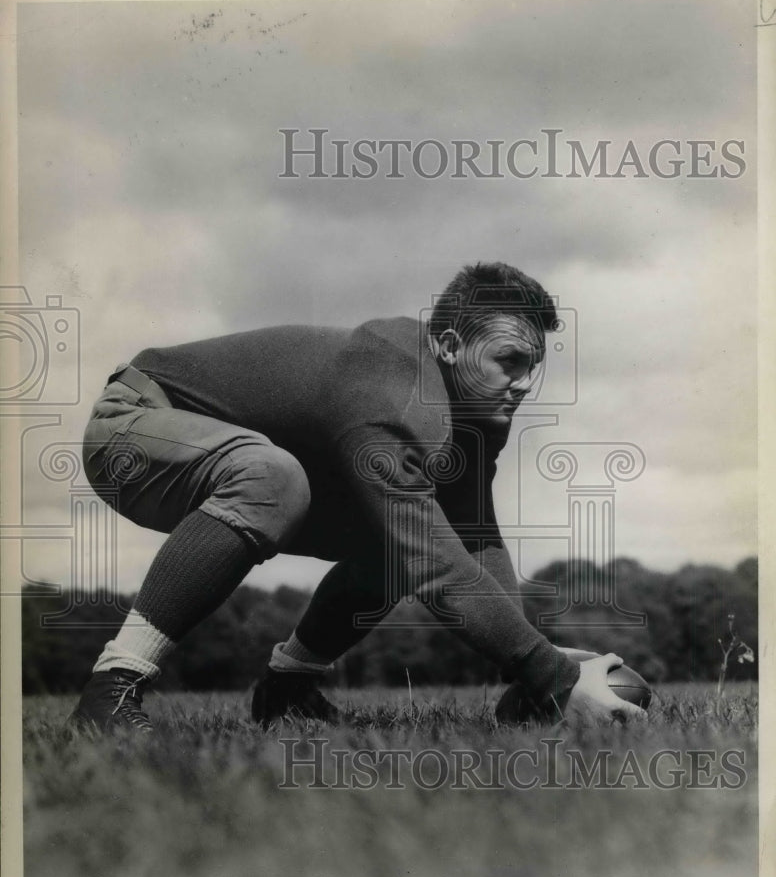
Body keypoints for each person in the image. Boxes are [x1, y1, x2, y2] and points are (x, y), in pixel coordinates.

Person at [68, 261, 645, 733]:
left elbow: (472, 537)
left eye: (532, 366)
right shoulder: (394, 393)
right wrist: (552, 675)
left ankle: (287, 692)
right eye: (508, 361)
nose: (523, 383)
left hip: (241, 453)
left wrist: (536, 669)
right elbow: (438, 569)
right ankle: (111, 690)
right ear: (448, 345)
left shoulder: (476, 414)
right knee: (274, 478)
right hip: (134, 427)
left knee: (400, 530)